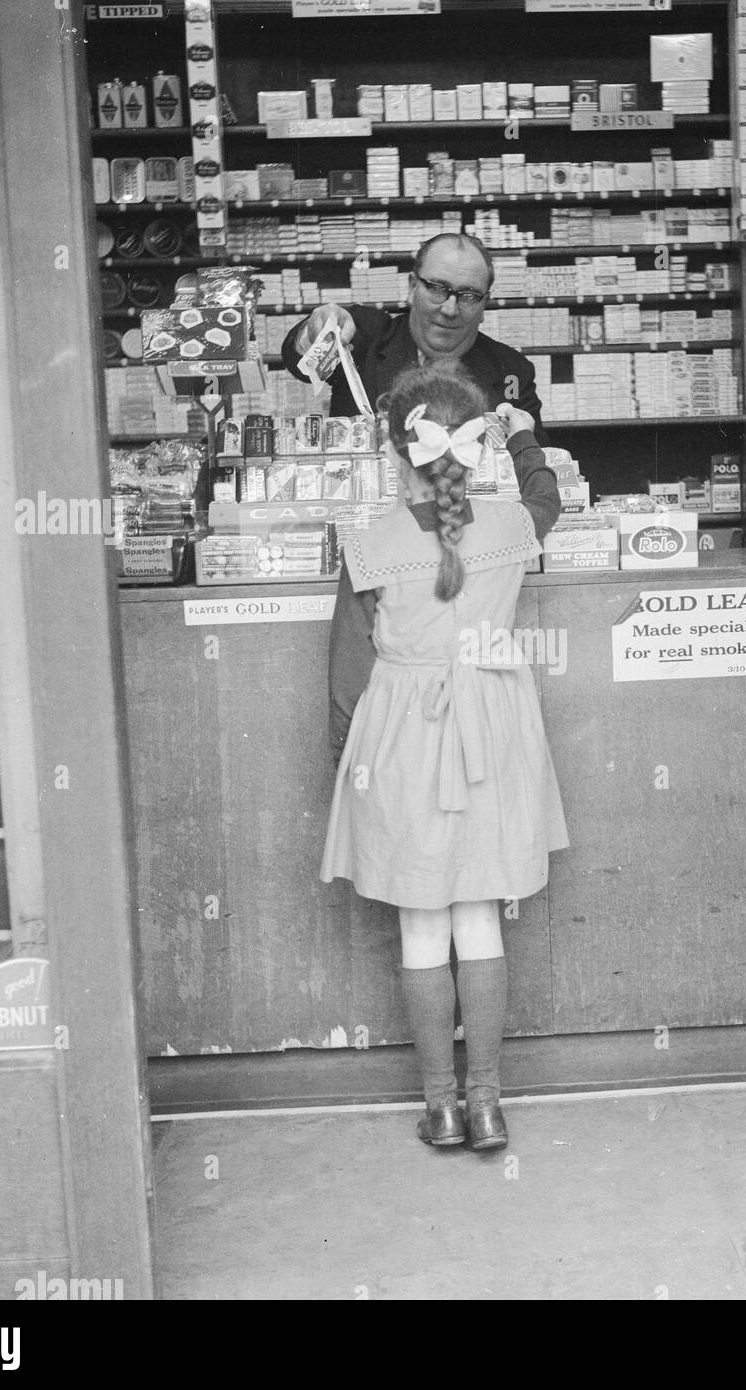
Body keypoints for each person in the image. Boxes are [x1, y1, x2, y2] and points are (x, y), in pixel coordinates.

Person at [320, 361, 568, 1152]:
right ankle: (489, 1102)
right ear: (478, 451)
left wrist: (349, 770)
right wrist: (522, 433)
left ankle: (442, 1107)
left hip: (401, 742)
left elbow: (345, 679)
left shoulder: (368, 545)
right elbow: (548, 495)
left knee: (422, 929)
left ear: (397, 455)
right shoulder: (510, 527)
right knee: (482, 920)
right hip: (493, 732)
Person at [281, 231, 549, 444]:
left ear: (484, 305)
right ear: (411, 288)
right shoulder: (368, 337)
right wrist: (317, 333)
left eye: (468, 295)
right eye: (436, 288)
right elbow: (300, 365)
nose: (449, 309)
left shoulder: (512, 371)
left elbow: (534, 462)